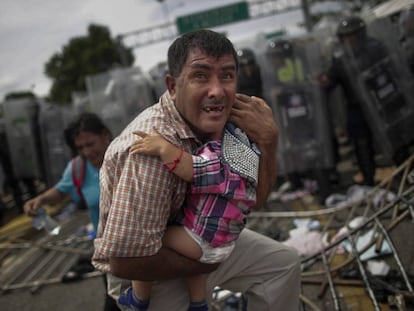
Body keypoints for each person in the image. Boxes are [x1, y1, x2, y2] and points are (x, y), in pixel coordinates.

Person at [92, 29, 301, 311]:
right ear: (173, 86)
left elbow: (252, 199)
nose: (217, 91)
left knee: (282, 265)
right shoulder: (150, 151)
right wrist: (206, 261)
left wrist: (269, 141)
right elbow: (126, 260)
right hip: (146, 270)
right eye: (200, 75)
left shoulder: (227, 125)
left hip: (201, 235)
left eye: (226, 76)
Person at [120, 121, 260, 311]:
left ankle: (138, 298)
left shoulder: (218, 158)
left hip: (200, 241)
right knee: (195, 262)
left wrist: (163, 147)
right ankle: (198, 302)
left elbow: (194, 169)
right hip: (223, 244)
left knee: (145, 240)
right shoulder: (247, 163)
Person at [23, 112, 120, 311]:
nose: (86, 152)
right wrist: (39, 200)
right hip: (109, 254)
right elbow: (60, 191)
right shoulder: (78, 168)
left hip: (145, 249)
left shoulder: (127, 158)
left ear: (105, 134)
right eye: (80, 148)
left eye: (90, 144)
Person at [318, 16, 390, 186]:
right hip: (357, 106)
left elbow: (391, 68)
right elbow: (331, 79)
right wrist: (324, 81)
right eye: (346, 36)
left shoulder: (376, 48)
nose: (350, 39)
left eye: (353, 35)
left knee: (394, 137)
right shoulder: (341, 59)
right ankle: (368, 180)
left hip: (382, 101)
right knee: (361, 143)